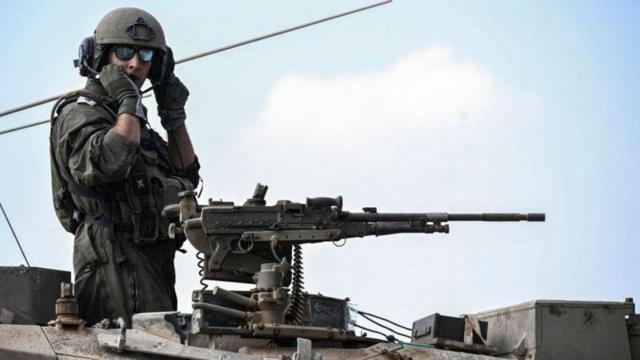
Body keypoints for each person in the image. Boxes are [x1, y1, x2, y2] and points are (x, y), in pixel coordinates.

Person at [49, 7, 200, 326]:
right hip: (112, 265)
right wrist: (129, 102)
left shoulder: (135, 127)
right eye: (123, 52)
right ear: (100, 57)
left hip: (152, 266)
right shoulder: (79, 114)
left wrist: (174, 118)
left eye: (146, 54)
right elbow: (108, 161)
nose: (135, 64)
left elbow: (185, 178)